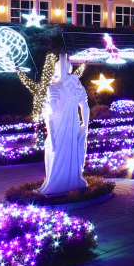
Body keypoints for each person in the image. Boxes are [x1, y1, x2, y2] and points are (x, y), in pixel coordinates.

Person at [38, 54, 89, 195]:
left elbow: (53, 107)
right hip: (74, 124)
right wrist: (85, 125)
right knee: (71, 151)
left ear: (57, 69)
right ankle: (72, 181)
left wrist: (45, 111)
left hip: (58, 124)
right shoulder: (79, 87)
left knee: (55, 151)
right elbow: (85, 107)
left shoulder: (53, 87)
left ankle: (56, 184)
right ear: (70, 69)